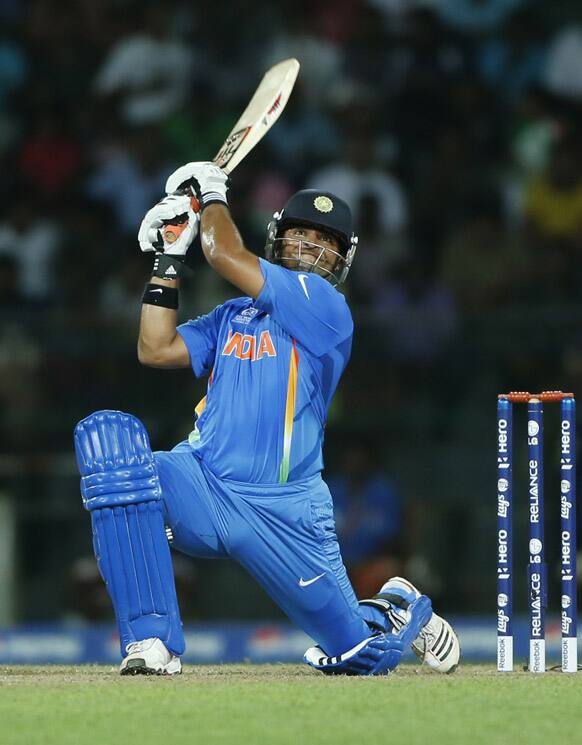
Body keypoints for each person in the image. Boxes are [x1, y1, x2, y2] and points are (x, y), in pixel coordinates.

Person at [74, 161, 460, 676]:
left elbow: (222, 252)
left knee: (359, 658)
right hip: (203, 481)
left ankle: (397, 607)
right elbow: (155, 347)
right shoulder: (232, 314)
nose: (309, 248)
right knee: (113, 451)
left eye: (325, 241)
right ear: (278, 238)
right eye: (299, 234)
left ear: (341, 260)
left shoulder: (326, 307)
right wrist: (167, 259)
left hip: (285, 507)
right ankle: (151, 642)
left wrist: (210, 195)